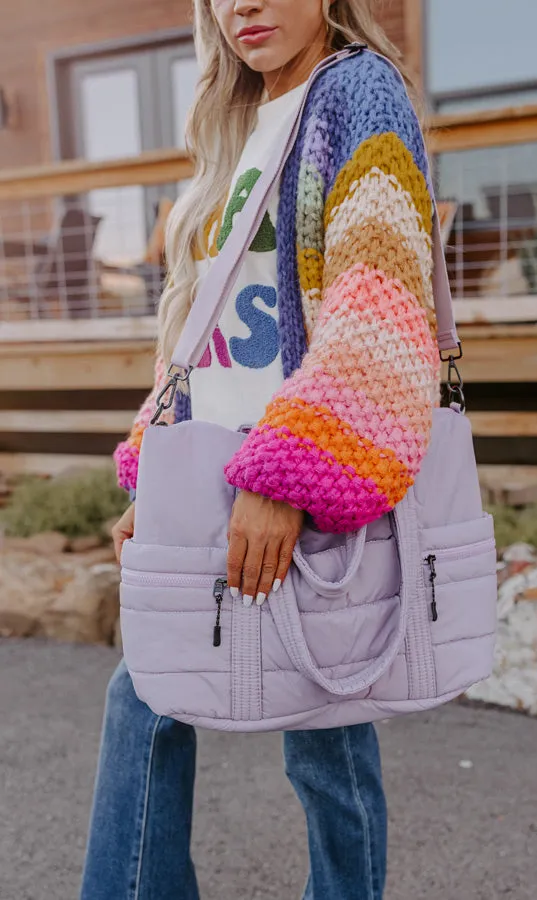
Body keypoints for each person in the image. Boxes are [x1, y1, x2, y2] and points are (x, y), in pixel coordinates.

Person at [80, 1, 439, 898]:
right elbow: (197, 331)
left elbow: (379, 299)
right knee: (149, 695)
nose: (243, 4)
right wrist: (156, 468)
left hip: (298, 463)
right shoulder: (236, 125)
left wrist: (290, 474)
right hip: (211, 464)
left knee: (326, 733)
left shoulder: (357, 94)